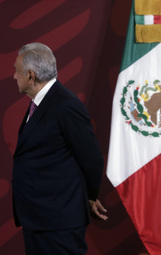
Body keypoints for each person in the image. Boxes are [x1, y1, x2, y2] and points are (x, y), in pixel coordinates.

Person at [12, 42, 107, 255]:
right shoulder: (39, 103)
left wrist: (89, 197)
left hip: (58, 222)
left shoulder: (66, 104)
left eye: (17, 71)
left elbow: (92, 158)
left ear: (31, 75)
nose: (14, 77)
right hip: (39, 219)